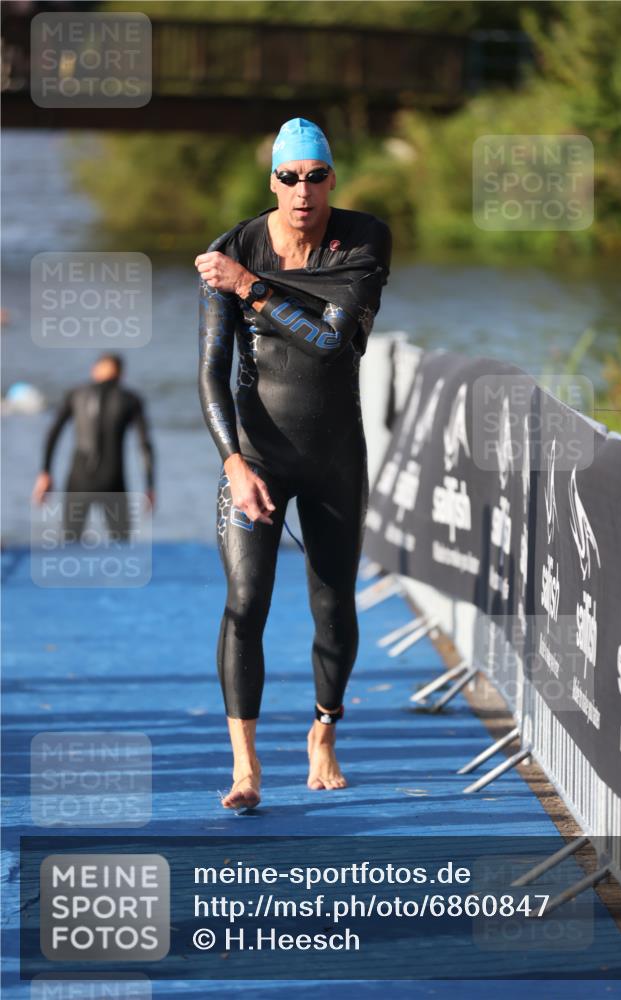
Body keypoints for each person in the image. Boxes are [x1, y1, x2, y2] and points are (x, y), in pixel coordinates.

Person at [195, 117, 392, 810]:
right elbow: (211, 373)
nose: (301, 190)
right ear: (272, 181)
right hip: (256, 456)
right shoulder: (234, 247)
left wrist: (250, 287)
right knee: (246, 602)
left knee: (331, 601)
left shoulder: (362, 239)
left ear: (332, 180)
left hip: (335, 454)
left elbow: (331, 344)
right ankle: (244, 768)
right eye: (288, 177)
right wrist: (231, 463)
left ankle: (323, 732)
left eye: (314, 177)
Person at [32, 353, 155, 539]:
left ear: (95, 370)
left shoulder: (76, 394)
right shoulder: (131, 399)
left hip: (79, 479)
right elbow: (144, 445)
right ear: (121, 374)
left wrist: (45, 472)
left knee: (71, 541)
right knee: (121, 543)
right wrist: (150, 486)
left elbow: (53, 433)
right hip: (113, 480)